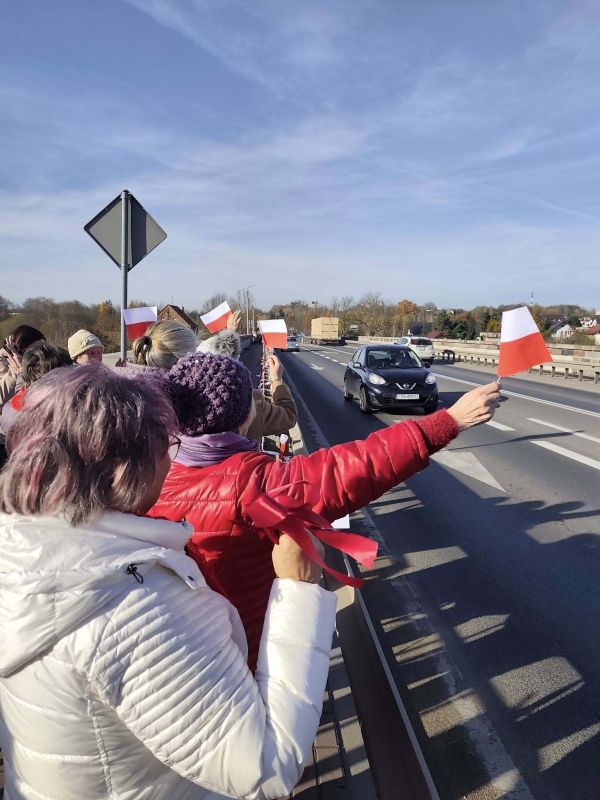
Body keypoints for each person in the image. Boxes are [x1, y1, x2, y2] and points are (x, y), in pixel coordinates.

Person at [0, 365, 336, 800]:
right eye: (168, 445)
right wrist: (298, 589)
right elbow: (266, 767)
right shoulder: (134, 609)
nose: (173, 458)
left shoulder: (22, 553)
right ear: (126, 469)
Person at [149, 352, 500, 670]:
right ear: (246, 416)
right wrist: (451, 420)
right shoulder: (257, 483)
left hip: (172, 657)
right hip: (242, 656)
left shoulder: (145, 477)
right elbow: (360, 465)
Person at [197, 311, 297, 443]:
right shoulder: (251, 400)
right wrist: (276, 380)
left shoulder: (185, 407)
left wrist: (230, 333)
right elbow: (289, 416)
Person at [0, 341, 73, 434]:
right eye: (65, 374)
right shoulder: (48, 419)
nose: (72, 379)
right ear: (48, 378)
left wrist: (20, 375)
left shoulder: (13, 407)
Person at [0, 324, 45, 467]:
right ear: (22, 350)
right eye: (36, 350)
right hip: (4, 440)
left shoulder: (40, 364)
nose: (41, 354)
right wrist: (18, 374)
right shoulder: (3, 365)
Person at [131, 319, 197, 370]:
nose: (196, 359)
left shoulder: (130, 378)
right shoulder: (193, 380)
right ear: (180, 363)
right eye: (193, 356)